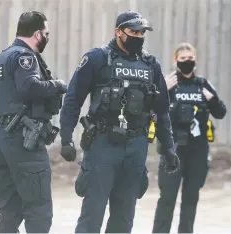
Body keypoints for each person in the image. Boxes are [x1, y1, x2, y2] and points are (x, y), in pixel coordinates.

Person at [59, 10, 180, 233]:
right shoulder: (97, 58)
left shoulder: (150, 64)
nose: (139, 36)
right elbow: (73, 99)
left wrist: (169, 148)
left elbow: (161, 111)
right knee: (92, 215)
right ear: (118, 32)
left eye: (142, 32)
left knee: (124, 218)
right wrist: (66, 137)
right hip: (103, 145)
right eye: (133, 31)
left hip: (136, 146)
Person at [0, 11, 67, 233]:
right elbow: (29, 87)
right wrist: (58, 85)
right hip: (23, 141)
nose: (47, 38)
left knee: (10, 212)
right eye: (46, 33)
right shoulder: (25, 57)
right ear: (37, 34)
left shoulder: (0, 58)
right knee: (38, 210)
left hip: (2, 140)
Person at [152, 43, 227, 233]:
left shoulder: (202, 84)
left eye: (190, 58)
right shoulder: (167, 83)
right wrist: (162, 91)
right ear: (175, 60)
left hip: (198, 151)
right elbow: (151, 110)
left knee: (190, 198)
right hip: (173, 150)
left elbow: (220, 113)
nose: (187, 62)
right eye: (183, 59)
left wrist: (212, 99)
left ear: (195, 60)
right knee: (167, 198)